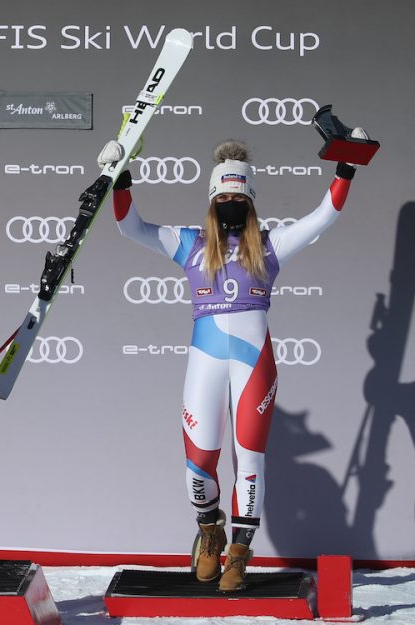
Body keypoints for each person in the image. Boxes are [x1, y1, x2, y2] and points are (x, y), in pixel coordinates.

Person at [100, 136, 362, 591]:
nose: (230, 203)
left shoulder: (270, 244)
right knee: (199, 462)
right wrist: (120, 179)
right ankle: (209, 532)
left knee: (251, 456)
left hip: (254, 360)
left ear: (251, 200)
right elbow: (131, 227)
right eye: (222, 196)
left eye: (238, 196)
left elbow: (324, 217)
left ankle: (239, 553)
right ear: (211, 200)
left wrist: (346, 170)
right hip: (205, 358)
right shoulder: (190, 244)